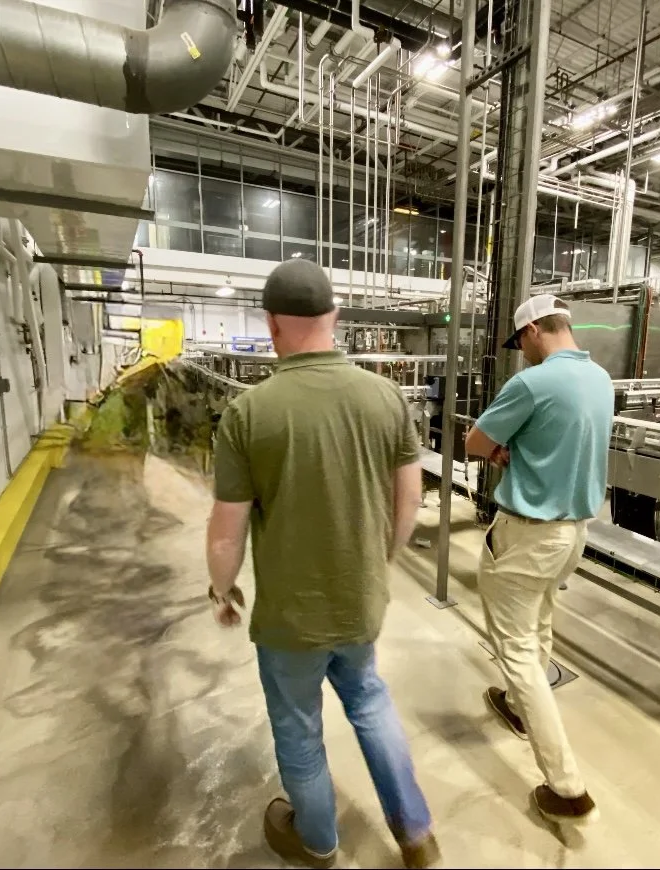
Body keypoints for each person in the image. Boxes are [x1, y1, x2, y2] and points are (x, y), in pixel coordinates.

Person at [205, 259, 439, 870]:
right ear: (334, 317)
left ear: (272, 325)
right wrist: (378, 562)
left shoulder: (248, 413)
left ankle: (318, 842)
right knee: (370, 702)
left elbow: (226, 530)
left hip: (288, 619)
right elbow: (408, 499)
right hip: (359, 602)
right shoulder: (385, 396)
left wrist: (222, 590)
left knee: (299, 728)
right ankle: (416, 836)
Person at [463, 293, 614, 826]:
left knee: (518, 649)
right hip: (573, 533)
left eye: (519, 343)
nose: (520, 353)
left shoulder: (532, 382)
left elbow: (475, 442)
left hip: (527, 535)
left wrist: (502, 450)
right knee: (540, 620)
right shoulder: (601, 380)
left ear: (532, 333)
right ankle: (517, 704)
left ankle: (567, 787)